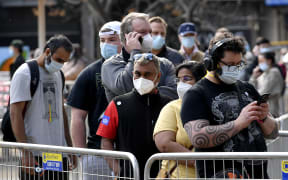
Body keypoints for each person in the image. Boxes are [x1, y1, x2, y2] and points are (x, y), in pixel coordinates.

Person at [181, 33, 279, 178]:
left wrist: (264, 118)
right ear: (212, 63)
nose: (235, 69)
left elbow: (273, 133)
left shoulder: (247, 88)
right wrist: (239, 123)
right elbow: (198, 138)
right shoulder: (196, 94)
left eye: (239, 64)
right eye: (230, 64)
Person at [97, 53, 172, 180]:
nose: (142, 78)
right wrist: (118, 170)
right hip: (128, 175)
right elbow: (106, 141)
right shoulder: (117, 104)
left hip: (162, 176)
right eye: (138, 74)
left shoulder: (169, 105)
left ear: (158, 76)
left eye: (147, 74)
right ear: (133, 74)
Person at [10, 34, 74, 180]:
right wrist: (26, 153)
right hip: (35, 154)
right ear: (47, 52)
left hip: (58, 153)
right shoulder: (25, 73)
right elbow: (15, 114)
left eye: (64, 61)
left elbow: (61, 110)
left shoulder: (59, 74)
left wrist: (70, 147)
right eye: (58, 59)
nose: (61, 64)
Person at [67, 21, 122, 180]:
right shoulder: (89, 73)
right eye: (102, 41)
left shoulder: (136, 70)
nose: (106, 45)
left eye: (112, 40)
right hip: (98, 154)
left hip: (131, 152)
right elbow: (77, 117)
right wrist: (83, 155)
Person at [101, 12, 177, 102]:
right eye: (143, 32)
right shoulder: (110, 65)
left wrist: (146, 91)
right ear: (127, 36)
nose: (149, 36)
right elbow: (127, 88)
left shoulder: (165, 64)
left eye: (150, 32)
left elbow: (174, 93)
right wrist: (135, 53)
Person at [153, 61, 206, 179]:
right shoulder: (172, 108)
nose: (181, 84)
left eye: (186, 79)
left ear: (201, 81)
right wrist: (202, 163)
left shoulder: (212, 106)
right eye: (178, 80)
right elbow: (164, 144)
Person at [249, 52, 284, 117]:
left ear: (269, 61)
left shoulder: (273, 72)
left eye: (261, 61)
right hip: (265, 110)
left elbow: (262, 93)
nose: (259, 64)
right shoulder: (262, 73)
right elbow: (250, 89)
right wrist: (253, 77)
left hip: (272, 111)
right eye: (259, 62)